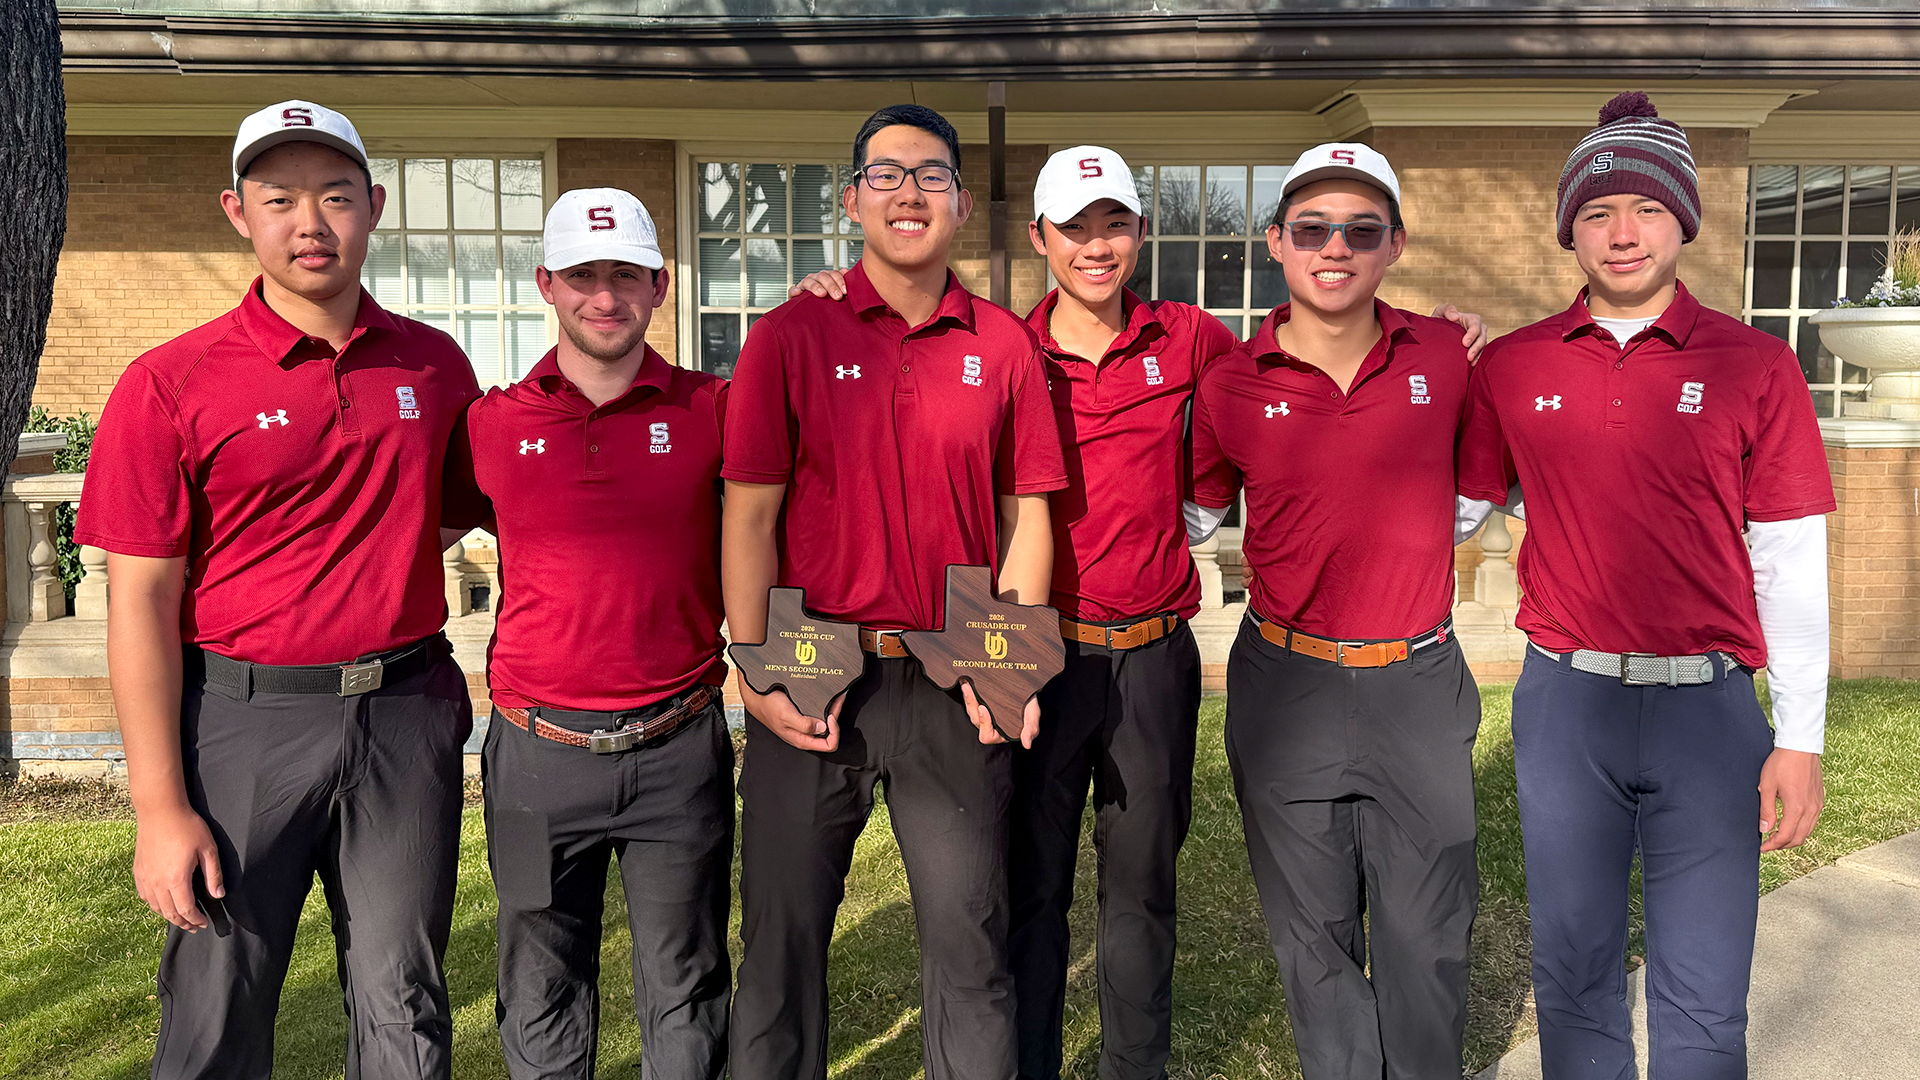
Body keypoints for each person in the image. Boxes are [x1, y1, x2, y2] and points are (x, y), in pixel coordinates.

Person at [789, 144, 1489, 1080]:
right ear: (1040, 238)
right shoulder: (997, 345)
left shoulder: (1195, 342)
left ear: (1139, 234)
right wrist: (833, 291)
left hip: (1152, 655)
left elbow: (1296, 377)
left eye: (1113, 224)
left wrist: (1445, 336)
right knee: (1029, 894)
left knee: (1142, 894)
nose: (1095, 245)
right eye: (1073, 228)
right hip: (1032, 649)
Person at [76, 100, 481, 1079]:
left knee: (404, 1001)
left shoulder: (432, 366)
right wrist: (161, 809)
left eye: (337, 196)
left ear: (375, 208)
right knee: (218, 1002)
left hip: (403, 712)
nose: (312, 222)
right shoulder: (170, 382)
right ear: (237, 212)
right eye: (281, 198)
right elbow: (138, 602)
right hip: (241, 724)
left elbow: (454, 510)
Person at [1457, 92, 1834, 1079]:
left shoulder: (1757, 367)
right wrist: (1414, 359)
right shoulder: (1513, 365)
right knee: (1576, 978)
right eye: (1595, 213)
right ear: (1569, 231)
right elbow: (1451, 510)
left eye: (1645, 209)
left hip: (1708, 710)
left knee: (1705, 992)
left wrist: (1801, 736)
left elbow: (1791, 558)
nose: (1621, 233)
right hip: (1565, 703)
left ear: (1684, 221)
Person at [722, 103, 1066, 1080]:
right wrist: (754, 669)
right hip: (810, 648)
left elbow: (1025, 519)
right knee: (782, 946)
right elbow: (749, 516)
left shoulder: (1001, 347)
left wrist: (1008, 674)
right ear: (851, 201)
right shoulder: (789, 335)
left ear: (960, 205)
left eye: (930, 176)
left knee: (971, 944)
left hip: (954, 660)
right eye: (885, 174)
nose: (908, 191)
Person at [1189, 143, 1489, 1080]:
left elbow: (1474, 499)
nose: (1335, 248)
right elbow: (1192, 513)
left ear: (1394, 246)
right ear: (1276, 241)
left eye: (1361, 230)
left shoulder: (1445, 353)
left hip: (1416, 679)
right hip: (1287, 684)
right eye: (1312, 228)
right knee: (1313, 943)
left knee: (1428, 935)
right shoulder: (1231, 382)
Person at [443, 188, 732, 1079]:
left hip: (676, 748)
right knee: (540, 985)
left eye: (626, 276)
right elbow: (395, 536)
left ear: (660, 286)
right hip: (538, 752)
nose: (604, 297)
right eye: (582, 276)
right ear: (546, 284)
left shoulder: (715, 410)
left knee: (684, 986)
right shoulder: (492, 424)